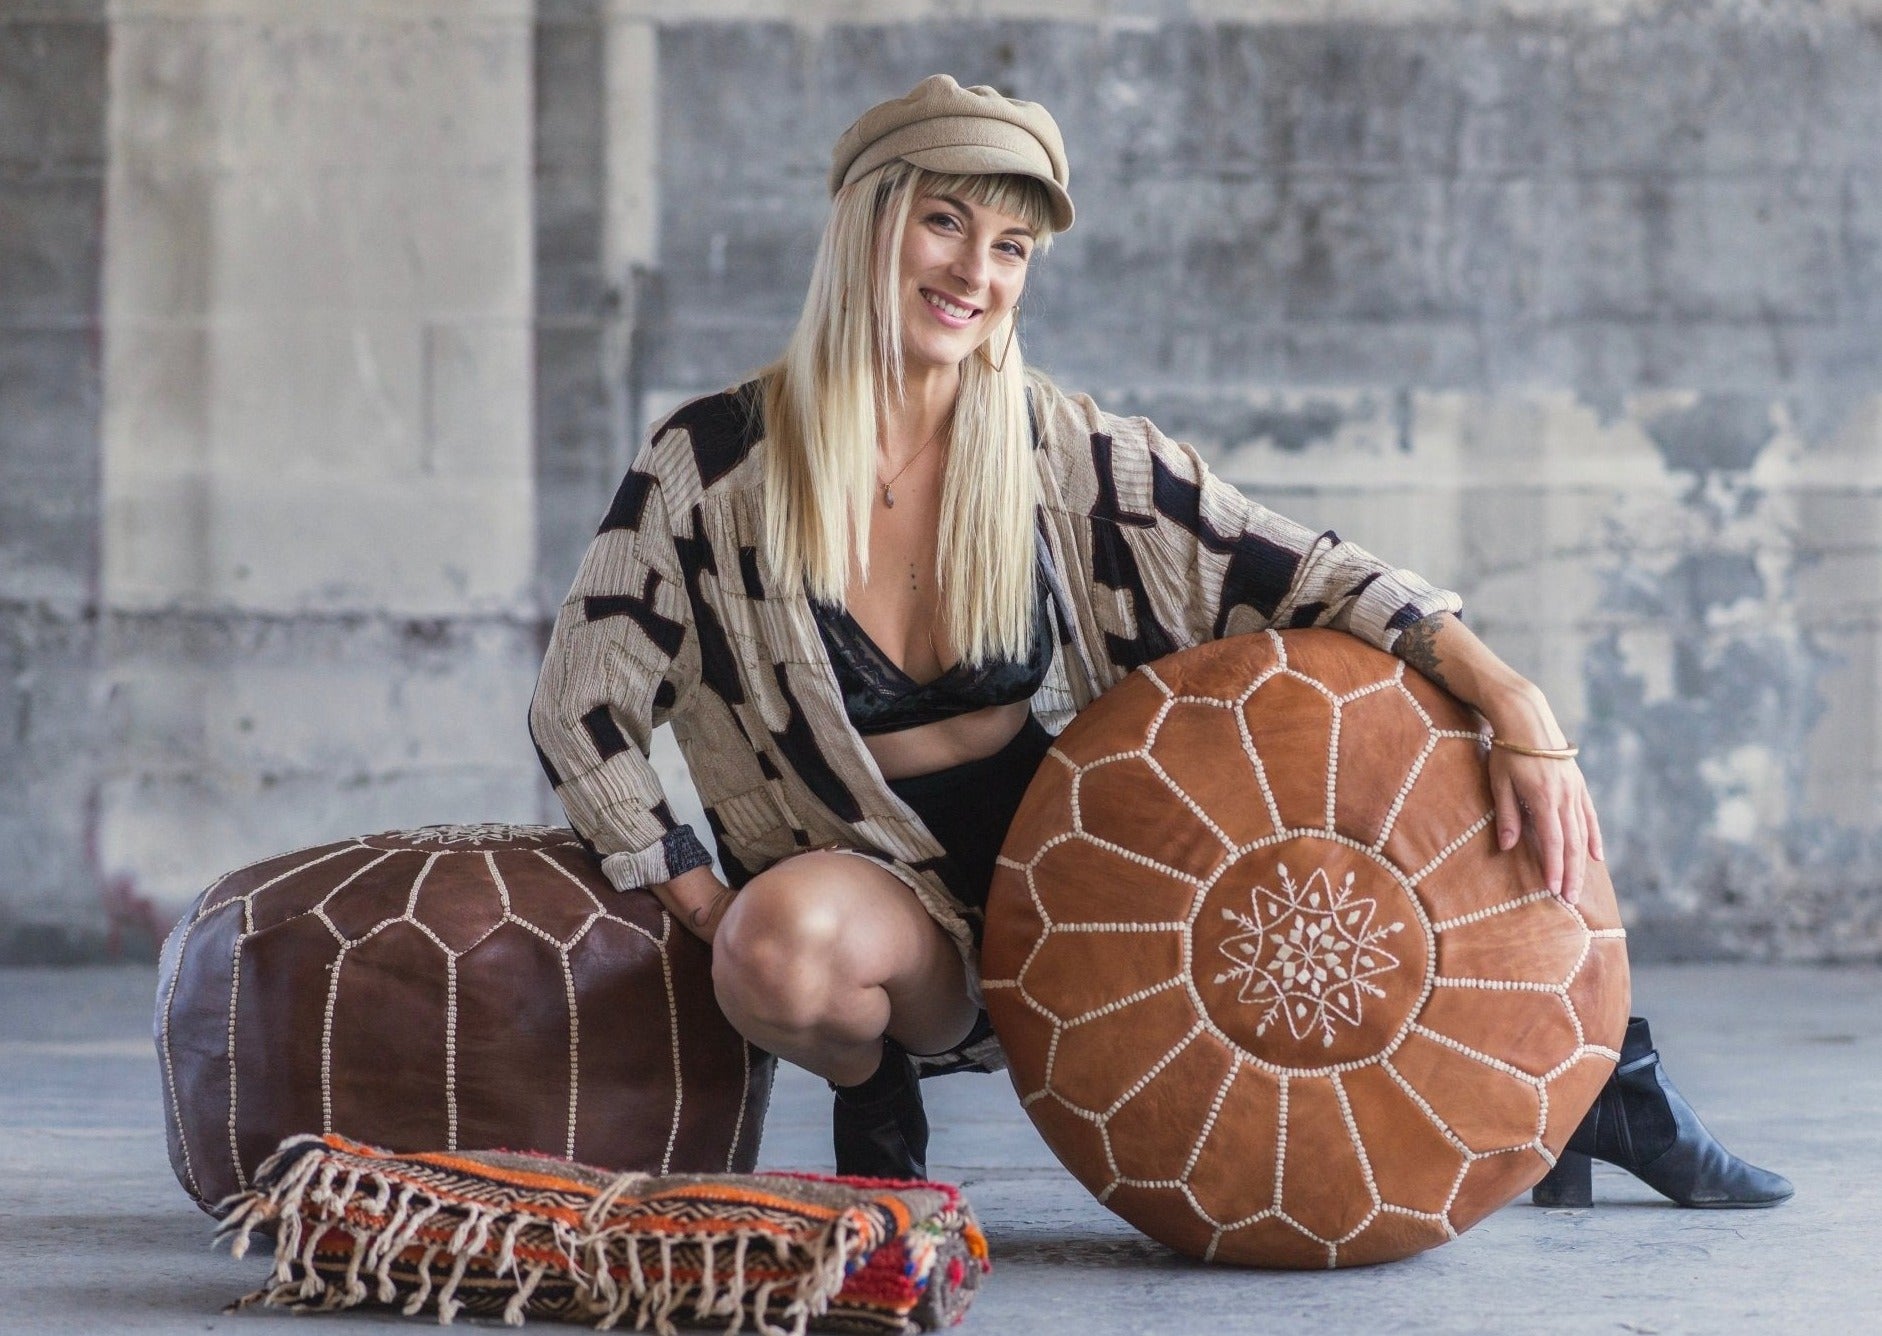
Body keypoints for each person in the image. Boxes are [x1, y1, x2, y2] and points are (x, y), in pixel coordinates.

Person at [530, 75, 1790, 1209]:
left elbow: (1307, 572)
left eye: (1011, 245)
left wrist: (1515, 702)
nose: (977, 269)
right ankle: (875, 1089)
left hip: (1107, 878)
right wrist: (691, 889)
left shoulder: (1061, 449)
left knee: (1393, 727)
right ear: (866, 221)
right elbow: (581, 689)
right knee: (774, 952)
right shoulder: (715, 463)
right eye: (945, 222)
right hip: (886, 896)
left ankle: (1602, 1082)